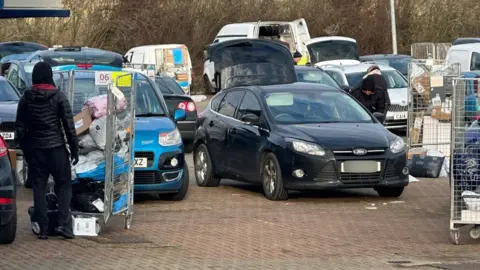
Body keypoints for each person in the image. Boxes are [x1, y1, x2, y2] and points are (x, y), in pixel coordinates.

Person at [15, 62, 79, 240]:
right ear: (49, 75)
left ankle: (43, 228)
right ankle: (63, 225)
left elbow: (20, 128)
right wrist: (74, 150)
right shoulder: (59, 96)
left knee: (39, 187)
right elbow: (69, 126)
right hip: (57, 149)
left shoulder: (26, 97)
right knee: (64, 185)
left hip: (36, 150)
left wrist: (27, 150)